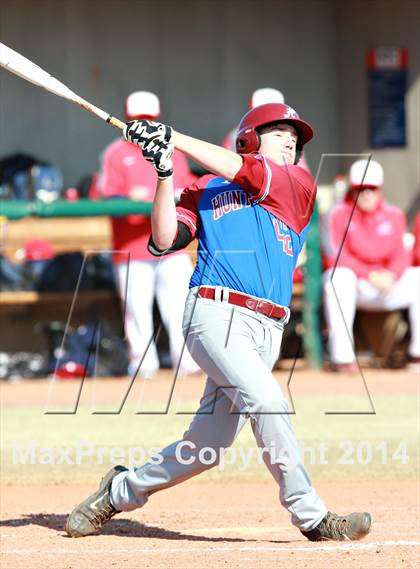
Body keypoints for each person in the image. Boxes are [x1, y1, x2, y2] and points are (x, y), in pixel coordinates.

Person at [66, 103, 372, 541]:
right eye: (279, 131)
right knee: (268, 401)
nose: (291, 140)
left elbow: (245, 172)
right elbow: (164, 239)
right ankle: (312, 516)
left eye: (295, 136)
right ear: (248, 138)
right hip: (215, 314)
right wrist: (166, 172)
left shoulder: (296, 182)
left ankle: (119, 490)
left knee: (205, 450)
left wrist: (172, 137)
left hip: (268, 330)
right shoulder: (206, 186)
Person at [98, 90, 200, 378]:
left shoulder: (172, 150)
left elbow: (188, 187)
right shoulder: (115, 153)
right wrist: (129, 197)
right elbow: (104, 195)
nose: (143, 124)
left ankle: (188, 363)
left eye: (149, 119)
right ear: (127, 118)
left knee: (181, 307)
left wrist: (165, 196)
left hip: (172, 247)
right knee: (137, 312)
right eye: (138, 118)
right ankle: (143, 367)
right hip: (132, 246)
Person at [323, 159, 420, 372]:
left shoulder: (394, 215)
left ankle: (417, 356)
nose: (367, 193)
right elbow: (335, 255)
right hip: (357, 285)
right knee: (337, 277)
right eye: (361, 188)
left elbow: (402, 253)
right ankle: (343, 358)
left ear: (380, 189)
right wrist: (369, 274)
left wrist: (392, 275)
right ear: (352, 189)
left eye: (372, 188)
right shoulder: (338, 214)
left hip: (388, 285)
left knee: (417, 277)